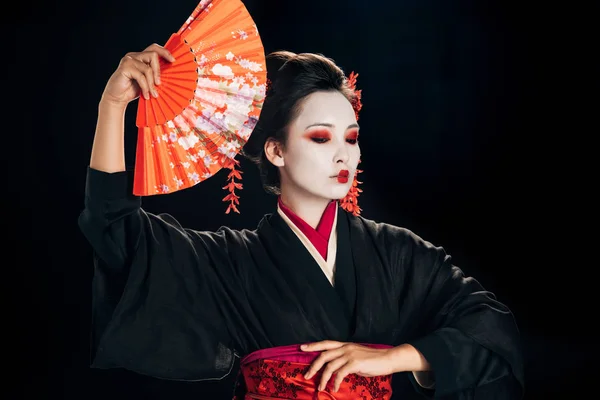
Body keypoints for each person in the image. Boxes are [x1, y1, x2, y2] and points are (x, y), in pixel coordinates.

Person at [78, 42, 525, 399]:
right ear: (276, 151)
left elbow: (491, 326)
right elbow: (115, 228)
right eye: (320, 137)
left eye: (351, 138)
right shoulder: (231, 262)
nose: (343, 154)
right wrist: (113, 106)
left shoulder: (396, 252)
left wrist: (395, 359)